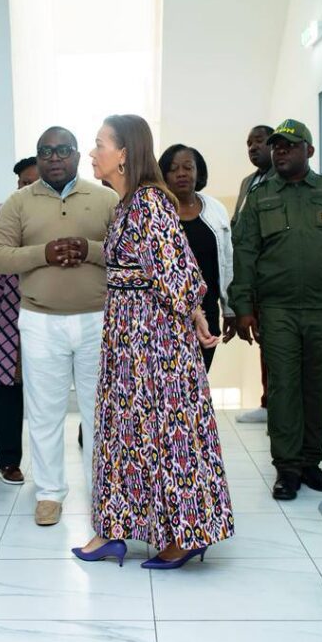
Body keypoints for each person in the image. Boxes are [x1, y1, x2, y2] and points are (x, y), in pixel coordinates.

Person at [73, 114, 233, 568]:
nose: (92, 153)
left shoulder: (149, 203)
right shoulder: (127, 204)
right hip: (128, 341)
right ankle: (112, 529)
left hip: (154, 346)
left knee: (168, 435)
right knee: (123, 434)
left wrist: (196, 315)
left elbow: (178, 273)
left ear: (124, 153)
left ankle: (186, 535)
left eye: (100, 144)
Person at [229, 119, 322, 501]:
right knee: (283, 388)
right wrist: (243, 306)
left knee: (317, 385)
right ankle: (287, 467)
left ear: (308, 151)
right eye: (277, 146)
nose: (281, 152)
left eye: (290, 146)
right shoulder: (260, 197)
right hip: (277, 310)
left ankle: (311, 461)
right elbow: (245, 254)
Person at [0, 126, 118, 526]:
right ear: (38, 157)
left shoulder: (106, 198)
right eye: (46, 151)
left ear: (77, 155)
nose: (54, 158)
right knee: (44, 413)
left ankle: (103, 494)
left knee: (100, 413)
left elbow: (129, 251)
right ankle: (48, 494)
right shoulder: (19, 202)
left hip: (98, 319)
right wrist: (43, 253)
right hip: (40, 321)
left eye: (62, 150)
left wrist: (89, 250)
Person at [0, 156, 39, 485]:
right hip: (6, 319)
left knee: (48, 392)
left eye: (36, 183)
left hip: (51, 314)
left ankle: (52, 462)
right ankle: (8, 461)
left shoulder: (61, 219)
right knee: (6, 388)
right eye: (24, 183)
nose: (29, 189)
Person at [158, 143, 235, 370]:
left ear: (198, 172)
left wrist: (230, 309)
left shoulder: (215, 209)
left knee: (199, 381)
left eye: (188, 167)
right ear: (164, 175)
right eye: (173, 169)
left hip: (208, 311)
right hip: (165, 315)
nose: (181, 173)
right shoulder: (157, 212)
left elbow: (227, 261)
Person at [233, 124, 275, 424]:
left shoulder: (281, 180)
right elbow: (239, 222)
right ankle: (268, 401)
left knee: (277, 345)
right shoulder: (248, 181)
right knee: (264, 342)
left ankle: (277, 403)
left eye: (259, 141)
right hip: (251, 275)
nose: (253, 147)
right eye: (249, 143)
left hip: (274, 275)